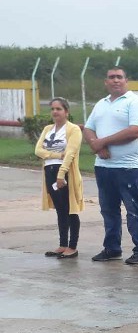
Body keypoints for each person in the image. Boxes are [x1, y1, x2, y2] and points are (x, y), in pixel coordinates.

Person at [84, 67, 138, 264]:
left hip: (128, 167)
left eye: (119, 77)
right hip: (104, 167)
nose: (115, 80)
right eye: (111, 77)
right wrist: (96, 146)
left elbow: (135, 131)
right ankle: (112, 248)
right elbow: (88, 128)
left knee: (134, 209)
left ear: (126, 80)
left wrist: (103, 142)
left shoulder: (135, 102)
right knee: (108, 209)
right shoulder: (101, 104)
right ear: (106, 82)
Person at [35, 97, 83, 259]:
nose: (55, 112)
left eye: (59, 109)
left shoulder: (73, 129)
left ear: (66, 111)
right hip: (49, 171)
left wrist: (61, 174)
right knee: (60, 209)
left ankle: (72, 246)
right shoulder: (48, 128)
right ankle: (63, 244)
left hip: (64, 172)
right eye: (53, 109)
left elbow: (70, 153)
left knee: (70, 209)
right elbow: (38, 150)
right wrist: (55, 154)